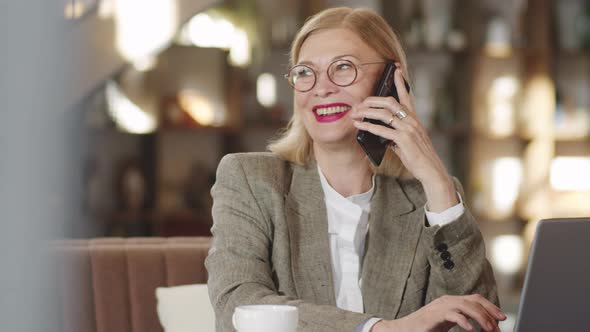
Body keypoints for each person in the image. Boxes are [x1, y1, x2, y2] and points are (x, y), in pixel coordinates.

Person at [206, 7, 504, 332]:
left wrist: (437, 179)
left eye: (343, 67)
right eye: (306, 73)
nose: (321, 88)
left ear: (391, 82)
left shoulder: (432, 199)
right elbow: (238, 306)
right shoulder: (251, 180)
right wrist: (380, 329)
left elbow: (480, 321)